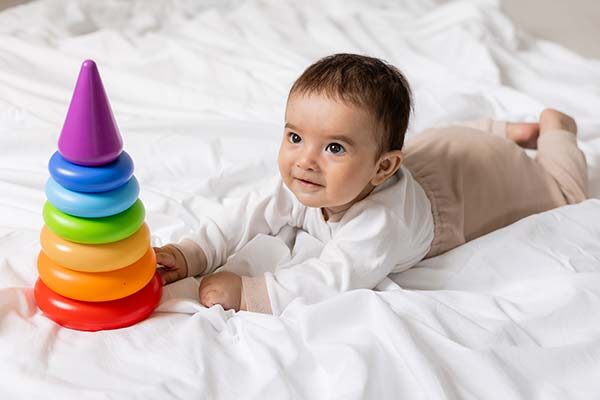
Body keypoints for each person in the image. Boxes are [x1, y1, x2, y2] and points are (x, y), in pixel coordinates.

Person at [153, 53, 588, 315]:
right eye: (295, 137)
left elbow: (332, 278)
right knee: (439, 144)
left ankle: (553, 130)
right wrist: (191, 254)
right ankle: (497, 128)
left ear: (382, 170)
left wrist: (253, 293)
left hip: (473, 184)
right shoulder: (313, 176)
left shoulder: (382, 221)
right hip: (437, 153)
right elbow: (243, 213)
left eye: (335, 148)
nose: (305, 160)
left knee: (564, 191)